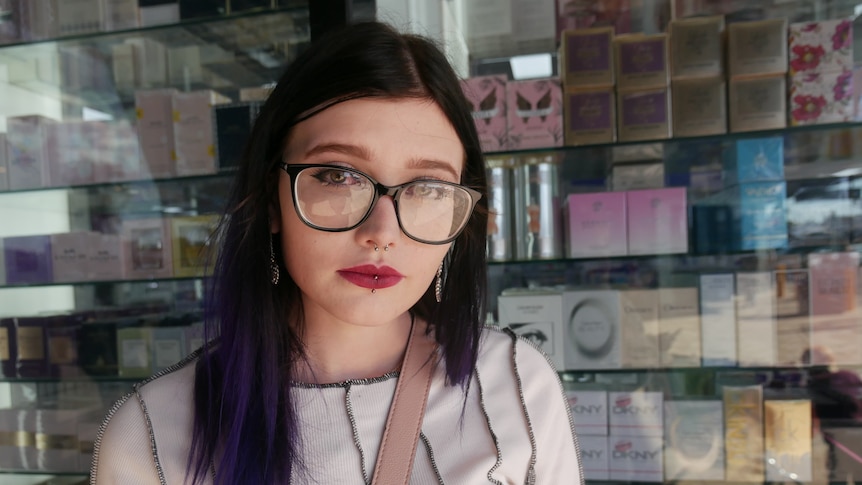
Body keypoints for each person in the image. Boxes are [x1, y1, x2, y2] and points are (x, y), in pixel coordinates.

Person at [91, 21, 582, 484]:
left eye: (428, 187)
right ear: (271, 200)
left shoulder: (516, 384)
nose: (382, 232)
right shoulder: (150, 431)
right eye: (338, 176)